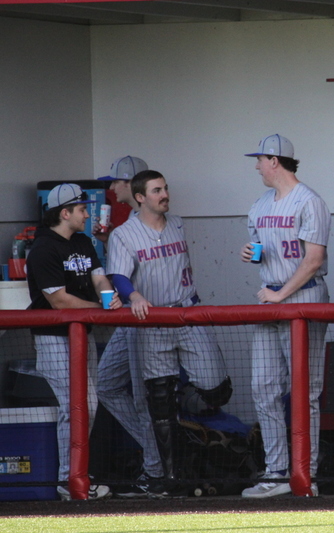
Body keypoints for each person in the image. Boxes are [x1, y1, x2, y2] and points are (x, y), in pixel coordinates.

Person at [107, 170, 232, 498]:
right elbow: (118, 275)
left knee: (219, 389)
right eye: (157, 190)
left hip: (187, 314)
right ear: (140, 198)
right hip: (152, 322)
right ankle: (170, 477)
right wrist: (133, 296)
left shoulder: (177, 223)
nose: (165, 194)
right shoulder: (124, 234)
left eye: (165, 188)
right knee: (157, 404)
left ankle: (184, 407)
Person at [239, 134, 331, 499]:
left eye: (260, 159)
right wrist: (253, 254)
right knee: (263, 387)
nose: (256, 165)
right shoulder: (260, 205)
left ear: (275, 160)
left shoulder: (310, 201)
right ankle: (276, 472)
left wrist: (281, 294)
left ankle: (304, 473)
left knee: (304, 392)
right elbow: (266, 251)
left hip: (302, 297)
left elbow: (314, 260)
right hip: (271, 296)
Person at [26, 183, 122, 501]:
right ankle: (70, 480)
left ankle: (75, 477)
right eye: (81, 209)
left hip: (83, 335)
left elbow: (97, 275)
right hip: (54, 340)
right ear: (64, 213)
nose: (87, 212)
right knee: (80, 406)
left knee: (84, 408)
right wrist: (99, 309)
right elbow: (59, 302)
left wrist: (108, 296)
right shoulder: (42, 248)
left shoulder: (82, 240)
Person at [94, 156, 164, 497]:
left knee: (141, 398)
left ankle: (157, 468)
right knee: (106, 385)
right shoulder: (123, 221)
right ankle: (159, 455)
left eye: (115, 182)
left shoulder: (148, 218)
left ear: (131, 185)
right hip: (128, 319)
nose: (110, 188)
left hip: (144, 318)